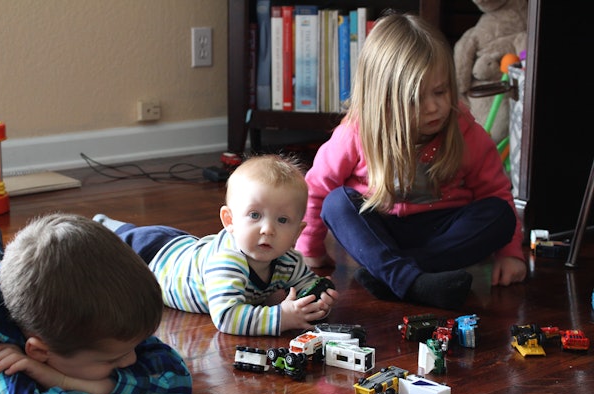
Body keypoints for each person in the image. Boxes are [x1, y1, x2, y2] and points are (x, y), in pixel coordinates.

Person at [295, 12, 527, 311]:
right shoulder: (356, 133)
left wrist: (510, 253)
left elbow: (495, 192)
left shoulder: (466, 132)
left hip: (441, 233)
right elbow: (317, 188)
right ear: (382, 99)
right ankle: (412, 279)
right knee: (337, 203)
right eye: (415, 99)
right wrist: (310, 247)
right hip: (380, 230)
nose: (433, 107)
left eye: (440, 92)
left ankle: (394, 275)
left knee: (499, 214)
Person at [0, 212, 192, 394]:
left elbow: (178, 385)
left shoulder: (103, 324)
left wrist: (74, 383)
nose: (132, 360)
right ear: (38, 352)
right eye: (112, 359)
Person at [94, 154, 339, 336]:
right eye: (255, 215)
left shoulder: (290, 261)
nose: (268, 229)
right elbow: (227, 317)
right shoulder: (227, 262)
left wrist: (318, 303)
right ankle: (103, 224)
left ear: (297, 233)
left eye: (282, 220)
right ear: (229, 221)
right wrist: (282, 317)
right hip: (154, 256)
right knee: (103, 249)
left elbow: (308, 287)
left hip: (189, 248)